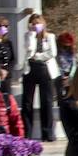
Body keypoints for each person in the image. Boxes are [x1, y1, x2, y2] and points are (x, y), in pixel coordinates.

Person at [21, 13, 60, 142]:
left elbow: (52, 53)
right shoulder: (28, 36)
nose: (36, 26)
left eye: (38, 23)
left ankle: (47, 133)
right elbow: (29, 49)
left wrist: (38, 56)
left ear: (43, 24)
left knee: (46, 101)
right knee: (27, 102)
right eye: (33, 24)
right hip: (30, 68)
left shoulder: (50, 37)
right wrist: (32, 35)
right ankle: (27, 133)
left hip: (45, 68)